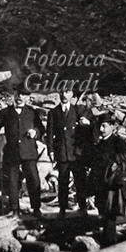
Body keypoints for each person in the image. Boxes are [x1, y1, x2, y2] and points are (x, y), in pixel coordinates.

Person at [0, 90, 45, 217]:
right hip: (12, 152)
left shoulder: (32, 112)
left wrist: (35, 132)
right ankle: (14, 209)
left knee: (34, 179)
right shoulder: (5, 112)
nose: (20, 97)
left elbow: (41, 129)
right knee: (13, 181)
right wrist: (2, 140)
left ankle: (36, 208)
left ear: (28, 98)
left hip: (29, 151)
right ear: (14, 95)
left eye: (23, 95)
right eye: (18, 94)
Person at [46, 87, 95, 218]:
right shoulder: (53, 112)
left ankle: (82, 207)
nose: (64, 95)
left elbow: (92, 121)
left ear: (72, 94)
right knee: (63, 182)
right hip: (61, 152)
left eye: (67, 92)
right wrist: (50, 150)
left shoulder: (77, 110)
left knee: (80, 181)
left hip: (76, 154)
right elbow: (49, 134)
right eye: (62, 92)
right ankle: (62, 209)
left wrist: (87, 122)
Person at [89, 114, 126, 245]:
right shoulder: (98, 144)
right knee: (103, 213)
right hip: (101, 185)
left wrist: (114, 163)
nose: (101, 129)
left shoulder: (118, 142)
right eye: (100, 126)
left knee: (110, 216)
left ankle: (110, 245)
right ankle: (108, 243)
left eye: (104, 126)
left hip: (113, 186)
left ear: (112, 127)